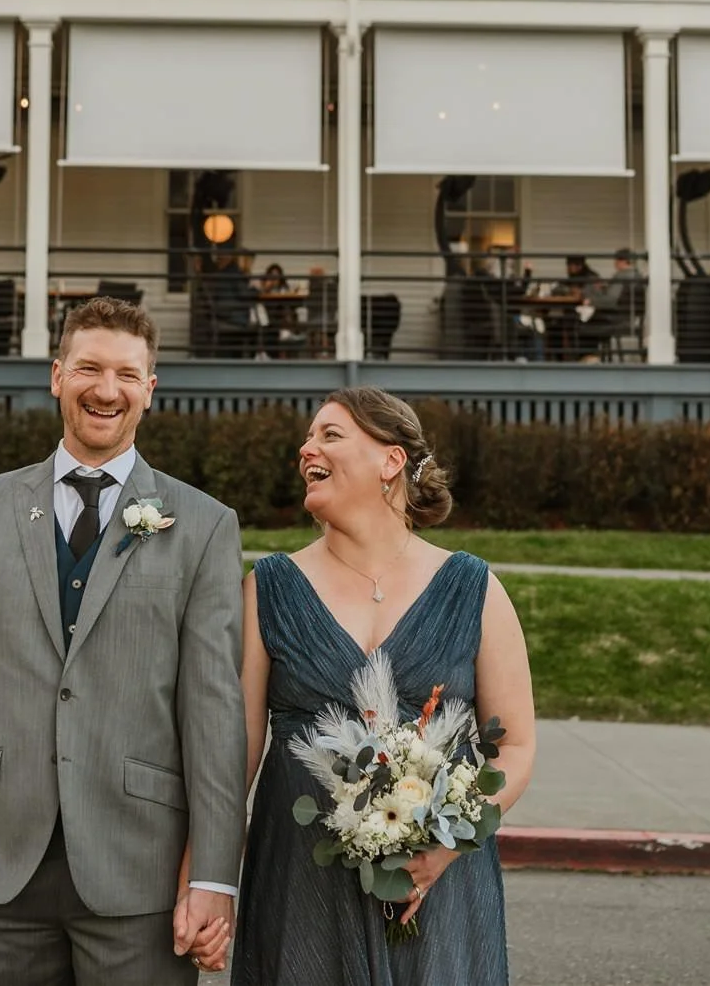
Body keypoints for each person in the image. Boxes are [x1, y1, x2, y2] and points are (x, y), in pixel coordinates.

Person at [0, 298, 245, 985]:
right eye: (89, 367)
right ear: (57, 375)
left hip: (138, 872)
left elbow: (213, 712)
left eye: (127, 373)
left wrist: (214, 873)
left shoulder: (205, 526)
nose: (106, 388)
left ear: (150, 390)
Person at [232, 387, 534, 986]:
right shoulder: (266, 589)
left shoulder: (472, 589)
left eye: (330, 435)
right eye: (308, 437)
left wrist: (449, 845)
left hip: (440, 889)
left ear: (390, 461)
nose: (306, 448)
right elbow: (235, 755)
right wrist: (207, 877)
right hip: (301, 880)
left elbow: (517, 748)